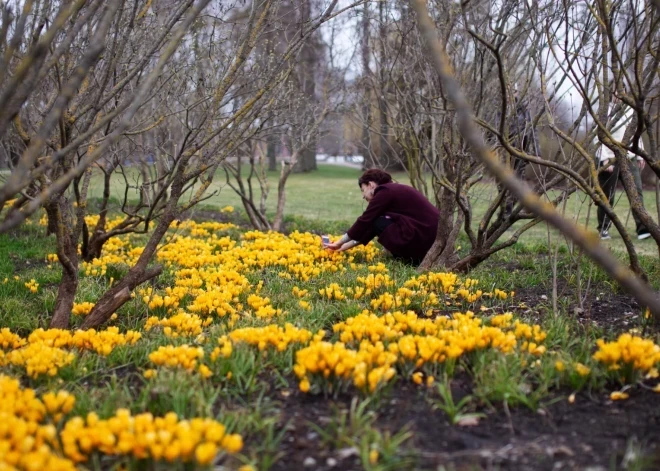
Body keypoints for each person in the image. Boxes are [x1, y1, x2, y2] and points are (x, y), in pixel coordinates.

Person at [324, 169, 440, 265]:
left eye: (363, 190)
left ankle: (410, 260)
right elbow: (370, 227)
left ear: (370, 185)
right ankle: (411, 258)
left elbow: (365, 220)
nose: (363, 197)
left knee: (376, 221)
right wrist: (343, 246)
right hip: (429, 237)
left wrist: (339, 242)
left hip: (423, 238)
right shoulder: (392, 189)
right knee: (377, 221)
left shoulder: (385, 191)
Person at [596, 96, 650, 241]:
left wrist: (639, 154)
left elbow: (636, 133)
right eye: (613, 92)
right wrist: (604, 158)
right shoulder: (604, 112)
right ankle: (603, 229)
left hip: (629, 158)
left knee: (636, 193)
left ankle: (643, 229)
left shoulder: (631, 111)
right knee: (607, 195)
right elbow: (599, 136)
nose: (617, 95)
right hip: (610, 158)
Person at [500, 89, 540, 216]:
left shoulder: (523, 110)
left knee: (518, 181)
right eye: (508, 91)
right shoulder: (499, 109)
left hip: (520, 152)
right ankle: (505, 211)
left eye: (514, 91)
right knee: (503, 182)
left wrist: (536, 151)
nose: (510, 94)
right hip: (503, 152)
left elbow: (533, 130)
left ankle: (510, 209)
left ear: (517, 93)